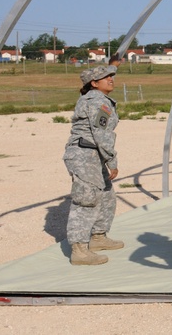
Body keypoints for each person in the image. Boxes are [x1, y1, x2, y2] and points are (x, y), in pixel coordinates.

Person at [62, 64, 124, 266]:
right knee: (86, 200)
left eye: (111, 76)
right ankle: (79, 250)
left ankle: (98, 237)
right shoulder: (98, 101)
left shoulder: (100, 100)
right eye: (105, 77)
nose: (111, 79)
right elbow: (101, 133)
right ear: (94, 83)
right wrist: (112, 160)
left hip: (92, 153)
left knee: (106, 195)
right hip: (85, 154)